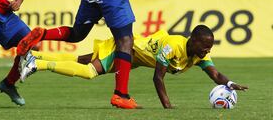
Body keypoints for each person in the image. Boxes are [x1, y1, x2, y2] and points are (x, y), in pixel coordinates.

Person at [19, 25, 248, 109]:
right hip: (126, 48)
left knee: (82, 61)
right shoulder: (173, 46)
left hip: (133, 58)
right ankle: (38, 64)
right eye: (206, 46)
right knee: (89, 72)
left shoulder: (197, 55)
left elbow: (215, 73)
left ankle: (36, 54)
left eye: (210, 47)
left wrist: (229, 83)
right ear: (194, 40)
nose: (208, 50)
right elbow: (158, 78)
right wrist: (168, 107)